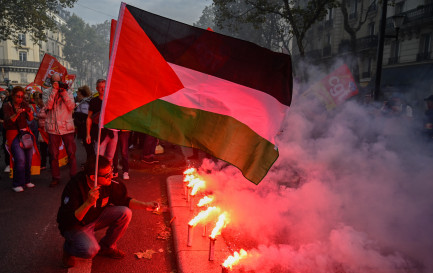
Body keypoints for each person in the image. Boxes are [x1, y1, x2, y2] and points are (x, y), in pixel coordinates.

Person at [57, 155, 159, 268]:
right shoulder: (75, 187)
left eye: (111, 171)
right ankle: (69, 249)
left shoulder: (109, 184)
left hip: (96, 217)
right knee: (90, 250)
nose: (111, 176)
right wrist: (88, 203)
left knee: (125, 213)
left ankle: (107, 247)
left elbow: (124, 200)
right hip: (77, 225)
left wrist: (146, 205)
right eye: (106, 175)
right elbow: (68, 221)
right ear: (92, 177)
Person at [43, 72, 77, 187]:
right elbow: (48, 106)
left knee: (71, 153)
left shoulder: (68, 91)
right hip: (53, 128)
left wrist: (63, 93)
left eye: (58, 81)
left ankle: (74, 176)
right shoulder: (47, 92)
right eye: (54, 82)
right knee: (53, 155)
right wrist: (53, 91)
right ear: (51, 82)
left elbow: (72, 106)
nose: (57, 84)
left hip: (67, 127)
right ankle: (55, 177)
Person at [3, 86, 38, 192]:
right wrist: (17, 113)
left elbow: (30, 119)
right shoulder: (7, 105)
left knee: (28, 158)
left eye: (22, 97)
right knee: (20, 158)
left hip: (25, 133)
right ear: (13, 96)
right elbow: (7, 122)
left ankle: (27, 181)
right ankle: (17, 183)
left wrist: (30, 113)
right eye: (18, 96)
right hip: (13, 134)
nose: (20, 99)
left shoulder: (24, 104)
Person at [86, 79, 118, 162]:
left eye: (104, 87)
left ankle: (108, 173)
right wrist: (88, 134)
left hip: (112, 131)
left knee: (110, 157)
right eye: (100, 87)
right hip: (99, 132)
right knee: (99, 157)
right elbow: (89, 118)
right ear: (97, 88)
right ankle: (99, 174)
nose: (103, 89)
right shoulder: (93, 101)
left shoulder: (112, 100)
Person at [73, 85, 93, 161]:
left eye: (78, 94)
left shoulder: (84, 102)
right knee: (88, 146)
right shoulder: (85, 101)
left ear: (82, 94)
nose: (77, 96)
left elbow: (85, 115)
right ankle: (89, 161)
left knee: (88, 146)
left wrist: (75, 114)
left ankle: (90, 161)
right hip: (85, 126)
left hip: (85, 127)